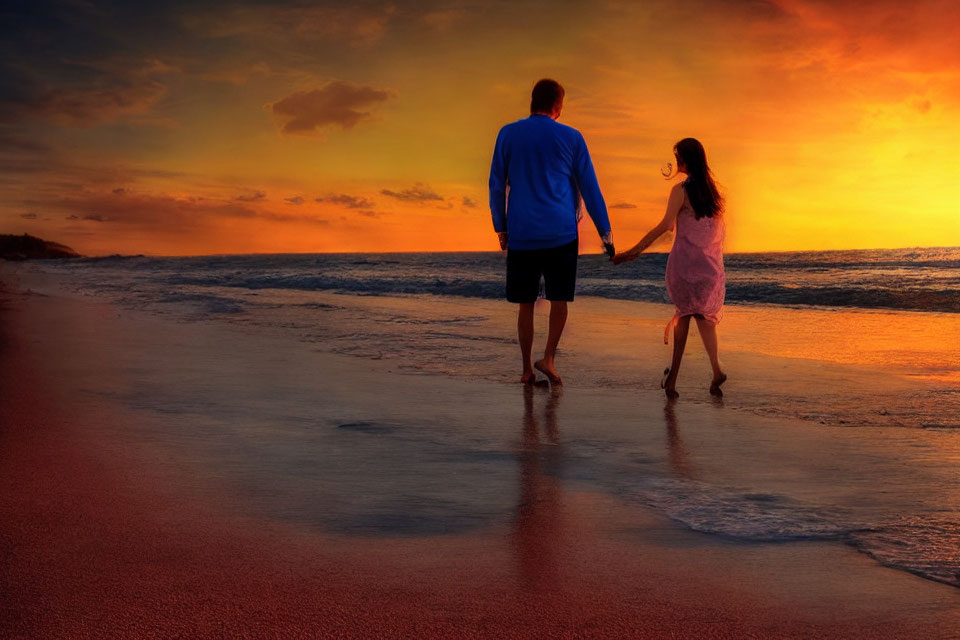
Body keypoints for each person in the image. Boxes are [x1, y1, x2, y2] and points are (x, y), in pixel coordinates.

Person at [489, 78, 614, 385]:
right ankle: (548, 358)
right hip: (561, 233)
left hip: (522, 232)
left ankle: (526, 369)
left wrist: (500, 227)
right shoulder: (572, 137)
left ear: (532, 102)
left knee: (525, 303)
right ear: (558, 106)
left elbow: (496, 185)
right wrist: (606, 234)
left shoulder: (508, 134)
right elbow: (590, 188)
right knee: (560, 300)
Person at [613, 138, 726, 399]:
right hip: (710, 268)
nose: (676, 162)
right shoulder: (714, 195)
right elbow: (716, 235)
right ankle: (716, 370)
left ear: (686, 160)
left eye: (678, 157)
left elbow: (666, 227)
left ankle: (673, 380)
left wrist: (633, 252)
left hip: (686, 267)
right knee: (705, 320)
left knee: (684, 316)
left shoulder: (681, 191)